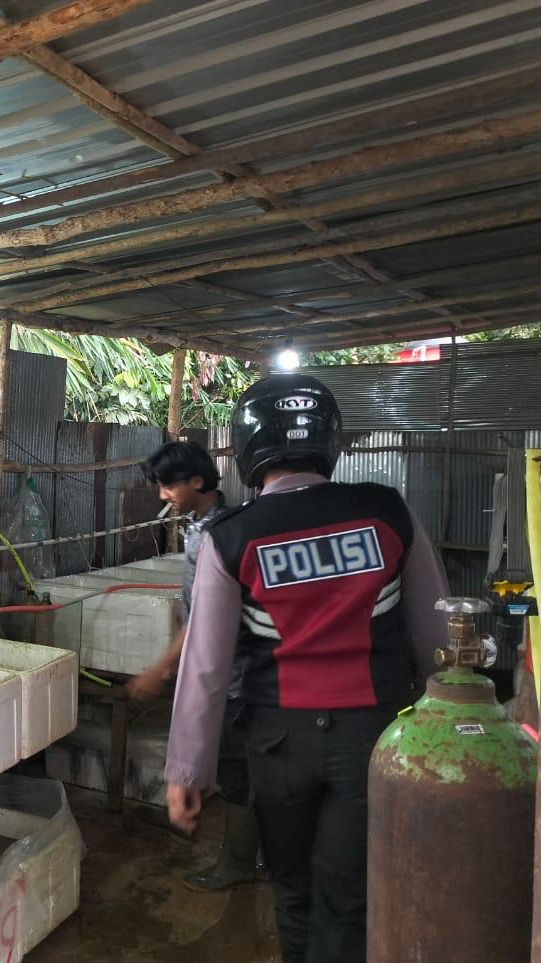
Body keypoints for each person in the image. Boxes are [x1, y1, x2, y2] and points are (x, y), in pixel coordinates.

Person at [164, 373, 448, 963]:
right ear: (328, 438)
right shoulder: (386, 512)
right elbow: (437, 632)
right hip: (375, 737)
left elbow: (206, 668)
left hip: (278, 745)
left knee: (292, 893)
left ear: (249, 447)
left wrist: (186, 772)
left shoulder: (232, 537)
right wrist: (445, 735)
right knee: (350, 899)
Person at [129, 441, 259, 893]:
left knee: (237, 769)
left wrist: (160, 668)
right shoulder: (206, 525)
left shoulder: (219, 533)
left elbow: (205, 616)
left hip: (232, 674)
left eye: (169, 486)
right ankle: (251, 855)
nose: (163, 495)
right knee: (235, 765)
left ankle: (239, 863)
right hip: (220, 667)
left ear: (198, 482)